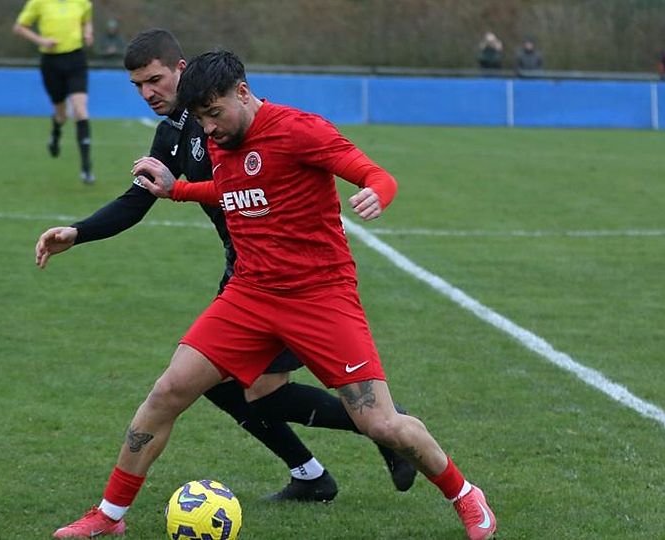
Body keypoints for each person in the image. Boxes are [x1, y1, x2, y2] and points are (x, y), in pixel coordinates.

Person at [51, 50, 497, 540]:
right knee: (167, 393)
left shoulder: (300, 130)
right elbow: (233, 188)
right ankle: (109, 517)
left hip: (320, 297)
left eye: (215, 115)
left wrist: (377, 192)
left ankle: (465, 495)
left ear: (243, 92)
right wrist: (175, 190)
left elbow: (375, 174)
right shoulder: (219, 137)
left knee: (381, 424)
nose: (209, 130)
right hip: (249, 294)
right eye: (200, 119)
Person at [13, 0, 95, 184]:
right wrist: (41, 40)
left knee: (80, 109)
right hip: (51, 61)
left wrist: (88, 32)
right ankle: (56, 132)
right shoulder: (38, 3)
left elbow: (86, 19)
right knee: (62, 114)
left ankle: (86, 168)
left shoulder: (82, 2)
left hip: (76, 58)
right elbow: (19, 27)